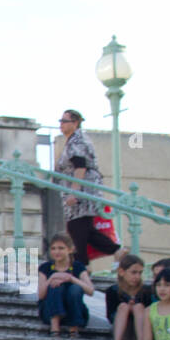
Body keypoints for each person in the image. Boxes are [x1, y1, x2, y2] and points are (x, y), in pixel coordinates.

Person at [57, 110, 124, 265]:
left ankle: (82, 265)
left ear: (75, 123)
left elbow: (80, 166)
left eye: (64, 121)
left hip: (82, 193)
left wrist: (74, 192)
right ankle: (116, 251)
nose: (60, 124)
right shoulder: (74, 140)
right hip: (82, 191)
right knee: (84, 231)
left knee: (78, 228)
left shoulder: (77, 141)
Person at [37, 233, 93, 337]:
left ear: (70, 250)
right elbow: (40, 295)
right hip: (49, 312)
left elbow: (90, 290)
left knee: (75, 288)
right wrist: (52, 278)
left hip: (74, 310)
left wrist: (71, 279)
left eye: (61, 248)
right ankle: (55, 327)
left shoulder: (77, 266)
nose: (56, 252)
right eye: (53, 248)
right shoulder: (45, 267)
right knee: (55, 285)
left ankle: (74, 328)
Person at [104, 253, 152, 340]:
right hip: (121, 330)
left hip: (142, 331)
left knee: (138, 307)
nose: (137, 276)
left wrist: (135, 308)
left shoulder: (147, 291)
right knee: (123, 307)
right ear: (122, 272)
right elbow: (110, 317)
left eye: (140, 273)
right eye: (133, 272)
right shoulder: (112, 291)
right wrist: (127, 308)